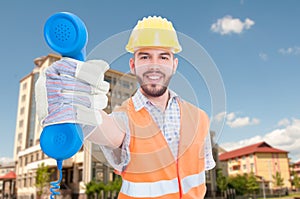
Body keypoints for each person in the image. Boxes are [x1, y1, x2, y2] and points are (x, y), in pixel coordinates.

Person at [36, 15, 215, 199]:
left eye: (163, 57)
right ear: (133, 65)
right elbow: (103, 127)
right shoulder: (124, 118)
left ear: (174, 64)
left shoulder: (200, 118)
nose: (154, 65)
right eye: (145, 56)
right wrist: (75, 108)